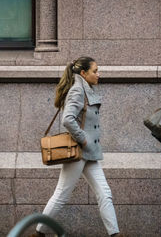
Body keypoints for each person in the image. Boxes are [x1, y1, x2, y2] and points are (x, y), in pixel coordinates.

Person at [30, 57, 123, 237]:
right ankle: (38, 233)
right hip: (79, 152)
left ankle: (115, 234)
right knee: (61, 195)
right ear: (83, 73)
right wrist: (84, 139)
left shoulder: (85, 89)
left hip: (89, 153)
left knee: (105, 193)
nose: (98, 74)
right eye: (95, 71)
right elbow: (67, 119)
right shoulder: (77, 90)